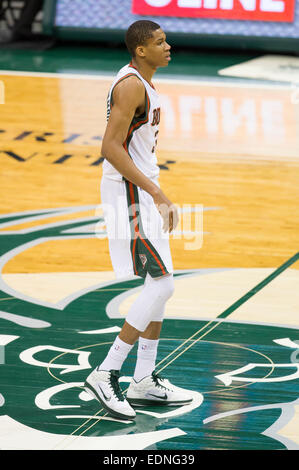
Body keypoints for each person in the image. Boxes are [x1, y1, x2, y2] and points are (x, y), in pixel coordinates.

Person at [84, 20, 193, 420]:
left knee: (159, 286)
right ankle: (107, 371)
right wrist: (155, 191)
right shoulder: (130, 85)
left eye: (166, 40)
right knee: (162, 284)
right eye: (160, 42)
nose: (169, 46)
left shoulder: (143, 83)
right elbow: (109, 147)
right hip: (128, 193)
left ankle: (143, 379)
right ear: (140, 50)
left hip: (141, 192)